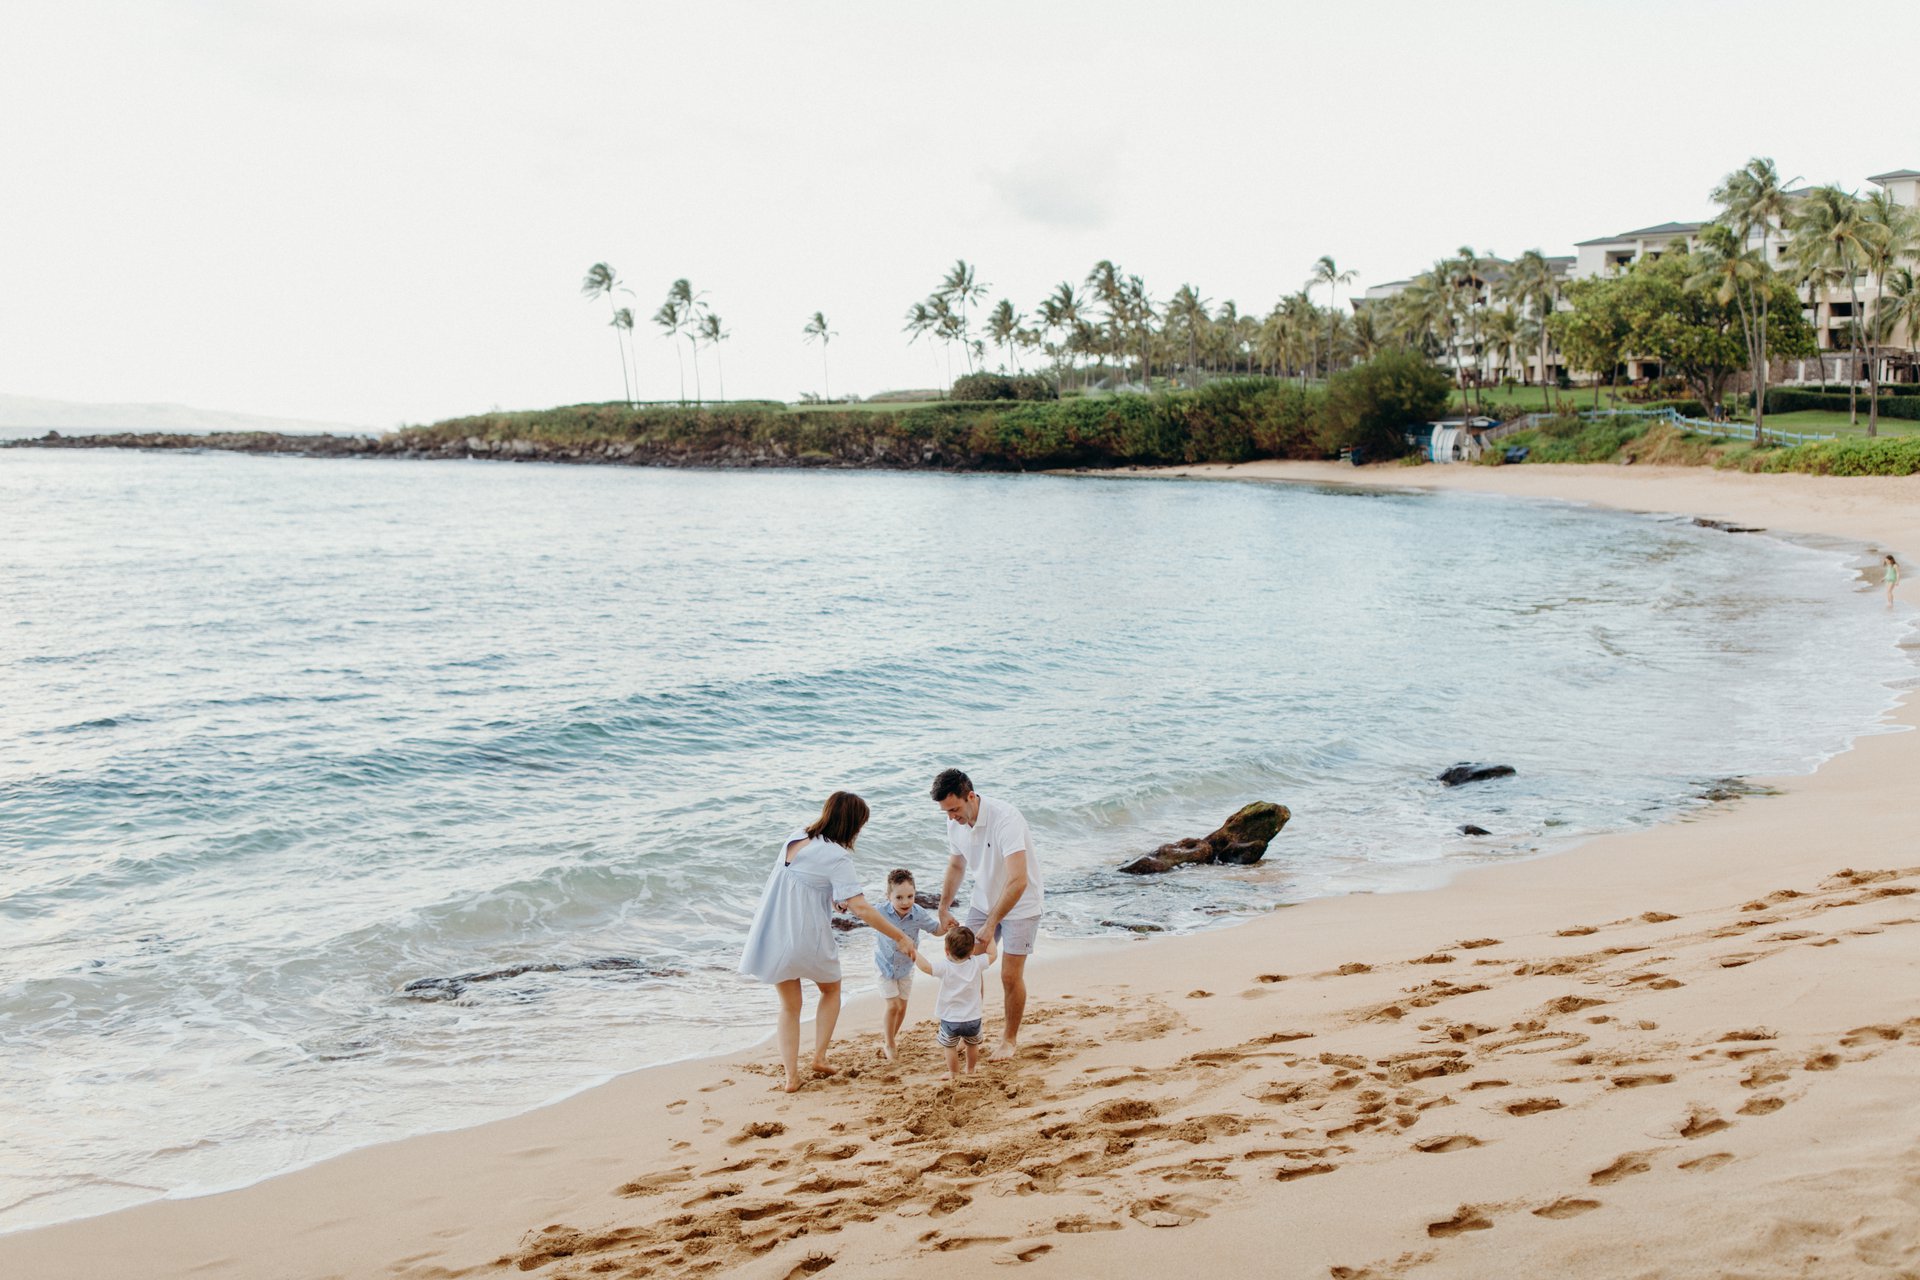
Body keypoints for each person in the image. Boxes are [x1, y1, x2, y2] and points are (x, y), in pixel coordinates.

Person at [739, 791, 915, 1092]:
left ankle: (791, 1077)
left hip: (774, 933)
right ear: (852, 825)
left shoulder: (795, 839)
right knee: (831, 989)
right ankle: (819, 1057)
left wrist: (833, 897)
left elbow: (802, 882)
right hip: (807, 937)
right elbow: (861, 907)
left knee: (790, 1007)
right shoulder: (837, 856)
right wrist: (899, 935)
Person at [932, 768, 1043, 1061]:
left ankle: (1009, 1040)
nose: (951, 817)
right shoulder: (954, 823)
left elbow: (1018, 880)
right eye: (945, 811)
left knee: (1009, 976)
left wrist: (992, 922)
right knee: (963, 963)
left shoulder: (1005, 818)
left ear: (971, 796)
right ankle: (969, 1031)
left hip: (1022, 903)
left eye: (954, 809)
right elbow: (956, 866)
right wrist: (943, 907)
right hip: (982, 900)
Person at [874, 868, 947, 1060]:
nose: (905, 902)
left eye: (910, 896)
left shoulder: (918, 913)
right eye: (899, 897)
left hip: (906, 968)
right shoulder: (879, 912)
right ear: (888, 896)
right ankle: (889, 1044)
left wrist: (946, 926)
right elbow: (861, 912)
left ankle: (890, 1038)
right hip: (884, 967)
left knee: (902, 1007)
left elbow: (936, 930)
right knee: (893, 1006)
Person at [913, 924, 995, 1080]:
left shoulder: (944, 967)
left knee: (950, 1046)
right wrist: (989, 937)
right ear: (972, 951)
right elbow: (993, 954)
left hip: (950, 1019)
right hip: (972, 1018)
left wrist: (914, 952)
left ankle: (953, 1073)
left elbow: (926, 967)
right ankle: (970, 1070)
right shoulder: (977, 963)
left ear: (946, 951)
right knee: (972, 1045)